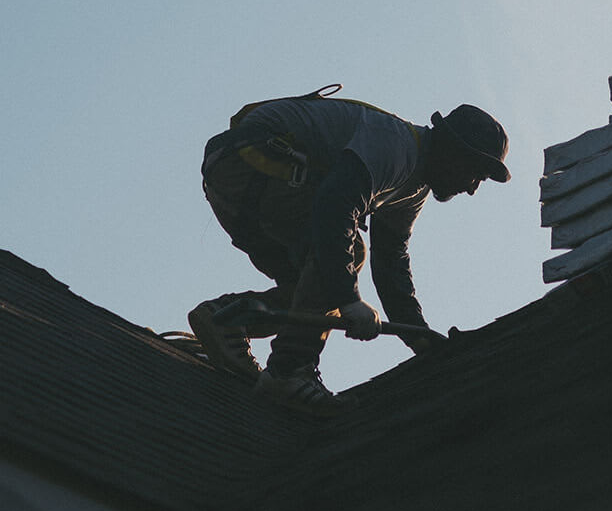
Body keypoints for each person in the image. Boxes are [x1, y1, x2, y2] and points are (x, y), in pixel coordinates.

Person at [191, 91, 510, 412]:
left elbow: (391, 264)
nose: (471, 188)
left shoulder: (412, 188)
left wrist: (419, 337)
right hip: (247, 161)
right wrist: (348, 299)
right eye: (474, 172)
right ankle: (289, 371)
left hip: (241, 174)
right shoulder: (396, 147)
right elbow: (335, 207)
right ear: (451, 149)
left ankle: (228, 318)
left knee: (311, 288)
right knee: (345, 256)